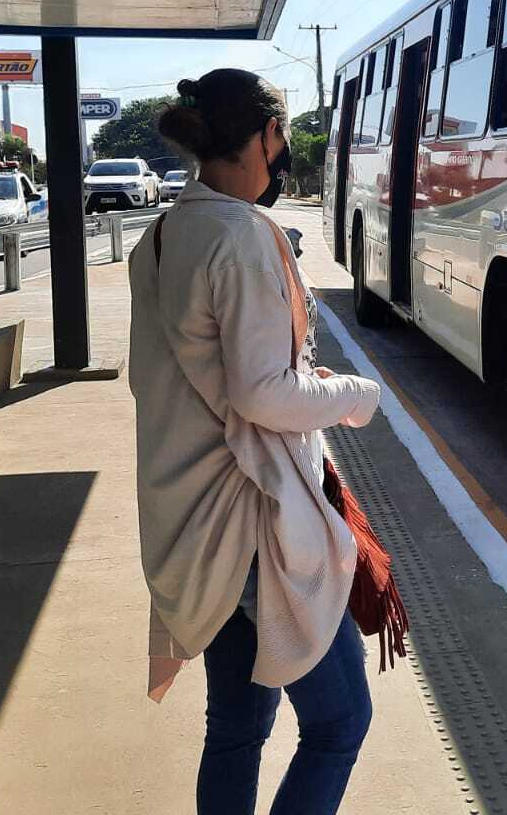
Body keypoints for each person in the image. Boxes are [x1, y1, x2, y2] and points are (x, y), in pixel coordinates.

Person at [129, 68, 382, 815]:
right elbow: (262, 395)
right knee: (341, 722)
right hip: (253, 525)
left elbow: (202, 370)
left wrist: (297, 373)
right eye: (282, 134)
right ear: (267, 134)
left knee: (238, 728)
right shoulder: (243, 234)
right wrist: (355, 395)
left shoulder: (168, 231)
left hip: (194, 524)